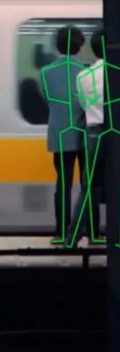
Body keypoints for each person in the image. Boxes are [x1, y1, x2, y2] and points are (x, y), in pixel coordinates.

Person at [41, 26, 88, 244]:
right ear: (79, 47)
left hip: (59, 134)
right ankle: (89, 230)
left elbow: (48, 100)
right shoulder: (84, 71)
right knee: (88, 184)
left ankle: (60, 231)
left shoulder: (45, 72)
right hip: (83, 134)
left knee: (63, 184)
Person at [73, 29, 109, 246]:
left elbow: (84, 105)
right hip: (113, 133)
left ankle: (72, 237)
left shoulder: (82, 75)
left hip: (93, 133)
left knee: (88, 188)